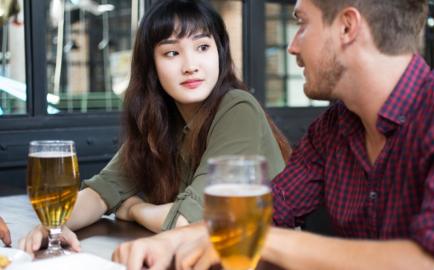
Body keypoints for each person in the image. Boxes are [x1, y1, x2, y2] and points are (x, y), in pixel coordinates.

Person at [112, 0, 434, 269]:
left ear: (347, 27)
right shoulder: (332, 129)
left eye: (302, 24)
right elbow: (268, 211)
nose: (292, 46)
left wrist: (264, 241)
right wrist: (170, 242)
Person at [20, 0, 290, 254]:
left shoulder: (237, 108)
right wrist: (52, 227)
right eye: (172, 52)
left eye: (203, 47)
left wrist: (136, 208)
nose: (191, 66)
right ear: (152, 66)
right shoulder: (162, 121)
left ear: (220, 52)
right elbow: (101, 193)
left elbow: (194, 223)